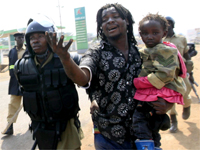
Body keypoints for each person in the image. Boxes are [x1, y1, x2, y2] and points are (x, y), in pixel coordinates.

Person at [45, 3, 173, 149]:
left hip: (144, 134)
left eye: (115, 16)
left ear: (127, 21)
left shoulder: (142, 54)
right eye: (105, 19)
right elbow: (83, 78)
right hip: (110, 136)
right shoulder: (96, 52)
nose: (110, 21)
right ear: (101, 27)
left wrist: (168, 104)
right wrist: (65, 58)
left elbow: (168, 81)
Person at [13, 16, 83, 149]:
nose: (35, 40)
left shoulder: (68, 60)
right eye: (32, 37)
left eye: (40, 36)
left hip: (65, 128)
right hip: (41, 130)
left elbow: (85, 81)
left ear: (51, 38)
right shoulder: (21, 67)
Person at [132, 13, 187, 149]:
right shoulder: (147, 49)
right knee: (150, 122)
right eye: (145, 33)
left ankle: (147, 144)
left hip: (158, 88)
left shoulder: (165, 50)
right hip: (153, 89)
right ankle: (157, 133)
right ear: (140, 34)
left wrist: (139, 82)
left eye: (155, 33)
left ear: (164, 33)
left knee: (139, 118)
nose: (149, 36)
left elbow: (165, 74)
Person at [163, 16, 193, 133]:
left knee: (186, 91)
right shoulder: (159, 39)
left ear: (173, 25)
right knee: (169, 97)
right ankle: (173, 121)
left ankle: (186, 106)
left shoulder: (181, 39)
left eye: (169, 23)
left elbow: (186, 54)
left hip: (181, 72)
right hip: (166, 74)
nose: (168, 25)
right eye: (165, 23)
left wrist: (189, 68)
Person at [2, 32, 28, 135]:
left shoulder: (28, 50)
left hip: (27, 81)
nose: (20, 39)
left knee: (32, 103)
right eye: (18, 38)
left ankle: (35, 124)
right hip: (15, 82)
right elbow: (11, 66)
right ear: (15, 39)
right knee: (13, 104)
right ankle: (9, 126)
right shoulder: (11, 52)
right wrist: (12, 77)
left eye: (22, 37)